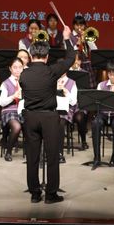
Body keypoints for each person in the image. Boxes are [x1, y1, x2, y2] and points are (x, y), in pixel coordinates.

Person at [20, 23, 73, 204]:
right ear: (47, 56)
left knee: (32, 157)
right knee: (52, 157)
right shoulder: (51, 71)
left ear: (30, 55)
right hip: (49, 118)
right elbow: (70, 58)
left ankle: (35, 194)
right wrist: (66, 39)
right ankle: (50, 195)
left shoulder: (24, 75)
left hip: (30, 117)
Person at [0, 57, 24, 161]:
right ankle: (8, 151)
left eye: (20, 67)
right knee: (17, 127)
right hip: (9, 110)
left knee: (34, 123)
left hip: (23, 110)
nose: (18, 70)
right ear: (10, 68)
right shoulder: (5, 83)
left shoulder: (26, 81)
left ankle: (33, 153)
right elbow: (1, 103)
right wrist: (13, 96)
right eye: (15, 67)